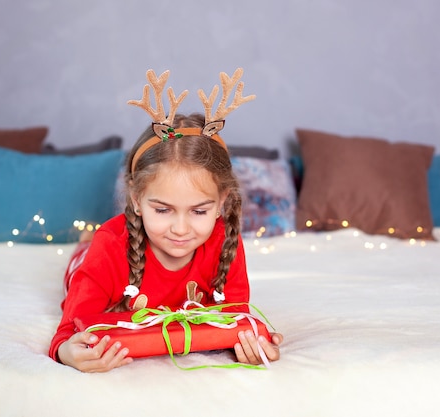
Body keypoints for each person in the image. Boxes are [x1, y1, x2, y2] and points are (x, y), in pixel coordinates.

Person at [49, 69, 283, 372]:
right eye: (162, 210)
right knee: (81, 261)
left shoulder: (226, 240)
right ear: (136, 198)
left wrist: (252, 342)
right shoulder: (111, 244)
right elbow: (70, 327)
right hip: (94, 258)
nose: (181, 229)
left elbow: (235, 316)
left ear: (221, 201)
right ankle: (83, 244)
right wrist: (65, 351)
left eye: (199, 211)